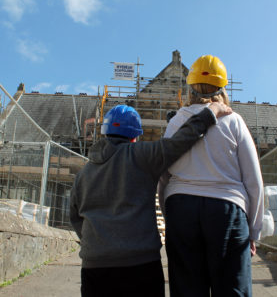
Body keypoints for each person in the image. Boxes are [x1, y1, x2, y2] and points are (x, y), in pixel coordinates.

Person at [70, 102, 232, 297]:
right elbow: (180, 141)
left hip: (94, 269)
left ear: (104, 133)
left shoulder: (83, 174)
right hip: (140, 266)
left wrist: (99, 244)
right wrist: (209, 113)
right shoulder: (142, 156)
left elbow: (75, 217)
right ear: (135, 136)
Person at [158, 55, 264, 297]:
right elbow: (253, 181)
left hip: (181, 207)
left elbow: (163, 175)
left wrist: (169, 213)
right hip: (226, 209)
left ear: (190, 88)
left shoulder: (175, 123)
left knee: (187, 290)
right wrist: (253, 231)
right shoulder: (234, 121)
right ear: (222, 87)